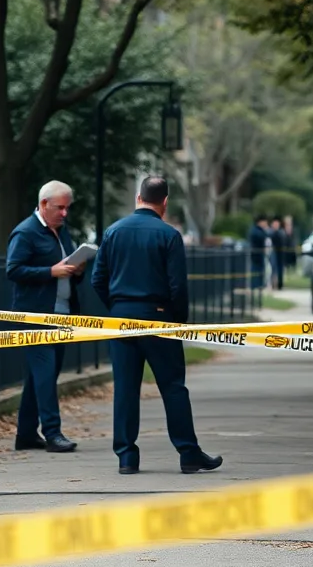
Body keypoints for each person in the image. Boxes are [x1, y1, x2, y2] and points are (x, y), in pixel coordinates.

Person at [91, 176, 222, 476]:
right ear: (165, 202)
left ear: (138, 198)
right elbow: (178, 286)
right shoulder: (169, 235)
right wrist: (179, 322)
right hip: (159, 316)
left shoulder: (113, 231)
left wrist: (117, 307)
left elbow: (97, 279)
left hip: (121, 319)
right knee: (173, 387)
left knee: (125, 389)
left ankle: (126, 456)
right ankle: (188, 453)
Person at [6, 180, 85, 453]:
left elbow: (67, 268)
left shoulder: (62, 231)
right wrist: (50, 272)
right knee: (45, 373)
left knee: (41, 377)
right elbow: (13, 270)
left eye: (67, 208)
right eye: (60, 207)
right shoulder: (25, 232)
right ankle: (53, 433)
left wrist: (77, 269)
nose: (64, 213)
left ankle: (26, 434)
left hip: (61, 314)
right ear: (43, 204)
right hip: (36, 317)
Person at [248, 216, 270, 289]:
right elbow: (262, 237)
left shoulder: (259, 230)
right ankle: (255, 285)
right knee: (256, 271)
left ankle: (260, 285)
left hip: (260, 255)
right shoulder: (256, 231)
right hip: (256, 254)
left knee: (261, 270)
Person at [270, 218, 289, 290]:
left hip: (280, 254)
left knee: (279, 270)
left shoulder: (281, 233)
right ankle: (274, 284)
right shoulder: (272, 233)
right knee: (274, 269)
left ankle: (279, 284)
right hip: (274, 253)